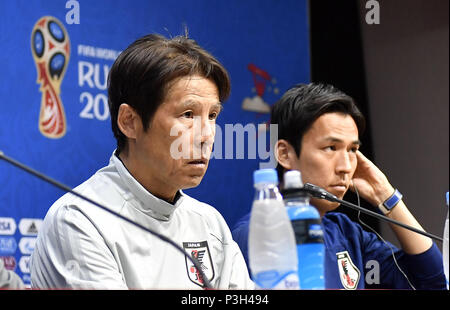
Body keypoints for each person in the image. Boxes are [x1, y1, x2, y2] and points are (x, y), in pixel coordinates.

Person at [30, 33, 253, 289]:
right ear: (129, 121)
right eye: (188, 114)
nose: (206, 136)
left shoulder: (209, 222)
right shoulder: (79, 220)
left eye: (212, 115)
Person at [232, 83, 446, 289]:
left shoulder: (347, 232)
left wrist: (384, 195)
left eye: (352, 150)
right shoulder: (258, 234)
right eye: (331, 148)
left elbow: (431, 282)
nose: (345, 167)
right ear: (285, 154)